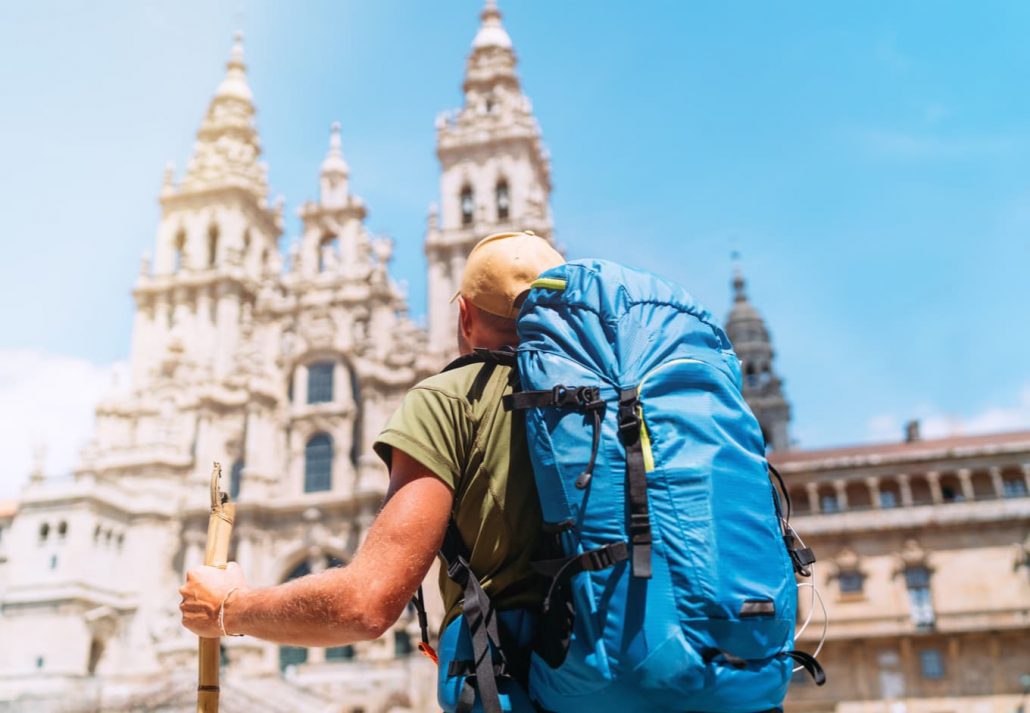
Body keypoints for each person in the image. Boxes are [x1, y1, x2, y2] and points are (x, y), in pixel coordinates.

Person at [179, 232, 563, 687]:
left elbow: (365, 604)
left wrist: (228, 607)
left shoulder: (453, 400)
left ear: (463, 315)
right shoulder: (613, 402)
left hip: (519, 684)